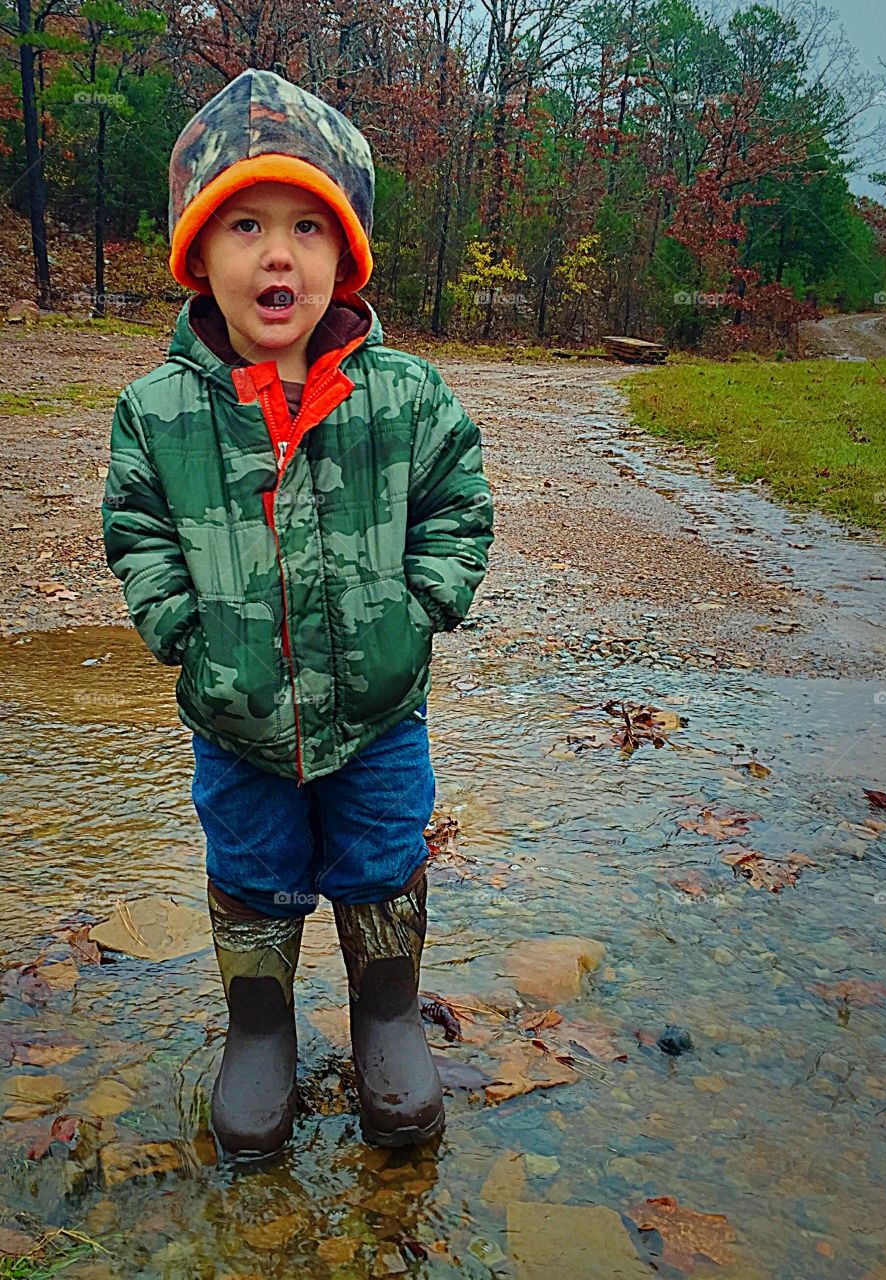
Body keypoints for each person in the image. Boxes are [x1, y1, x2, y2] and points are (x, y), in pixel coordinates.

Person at [101, 67, 494, 1160]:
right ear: (199, 256)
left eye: (310, 228)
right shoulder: (158, 409)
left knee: (378, 856)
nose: (280, 254)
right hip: (235, 718)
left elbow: (460, 501)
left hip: (379, 709)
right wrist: (179, 627)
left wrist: (422, 605)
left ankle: (384, 1016)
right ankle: (260, 1030)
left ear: (345, 256)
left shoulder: (408, 396)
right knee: (253, 864)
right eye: (246, 224)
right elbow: (133, 527)